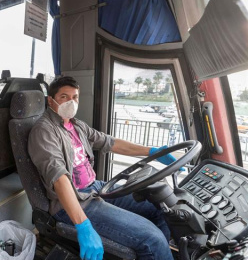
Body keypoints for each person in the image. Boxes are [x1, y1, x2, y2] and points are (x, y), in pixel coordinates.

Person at [28, 76, 176, 260]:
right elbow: (59, 178)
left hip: (95, 188)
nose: (71, 102)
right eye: (64, 97)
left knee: (161, 207)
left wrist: (152, 152)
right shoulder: (44, 131)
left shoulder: (76, 125)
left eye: (75, 97)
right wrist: (83, 226)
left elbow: (110, 142)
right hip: (74, 201)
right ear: (51, 100)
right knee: (152, 238)